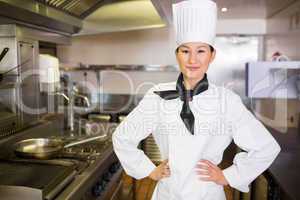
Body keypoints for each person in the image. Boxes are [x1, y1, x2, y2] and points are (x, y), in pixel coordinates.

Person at [112, 0, 281, 199]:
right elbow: (122, 137)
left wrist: (228, 176)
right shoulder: (158, 95)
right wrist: (149, 170)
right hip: (168, 192)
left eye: (201, 51)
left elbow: (266, 147)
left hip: (207, 193)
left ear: (212, 55)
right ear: (177, 55)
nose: (193, 60)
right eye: (185, 51)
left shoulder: (226, 100)